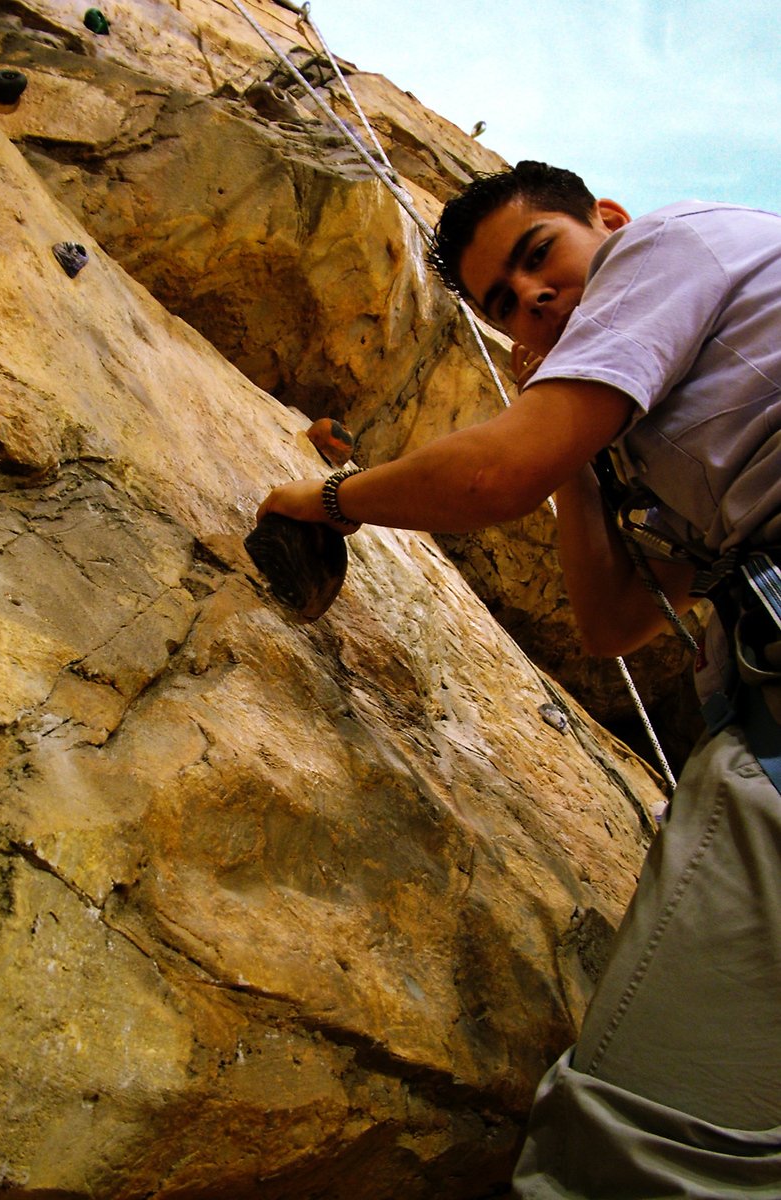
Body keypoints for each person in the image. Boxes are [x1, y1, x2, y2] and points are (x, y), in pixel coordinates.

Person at [257, 160, 781, 1196]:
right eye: (505, 305)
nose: (533, 302)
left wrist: (324, 497)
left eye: (541, 255)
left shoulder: (671, 244)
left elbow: (498, 472)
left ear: (608, 222)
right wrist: (583, 457)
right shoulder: (654, 420)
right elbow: (613, 621)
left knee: (639, 1143)